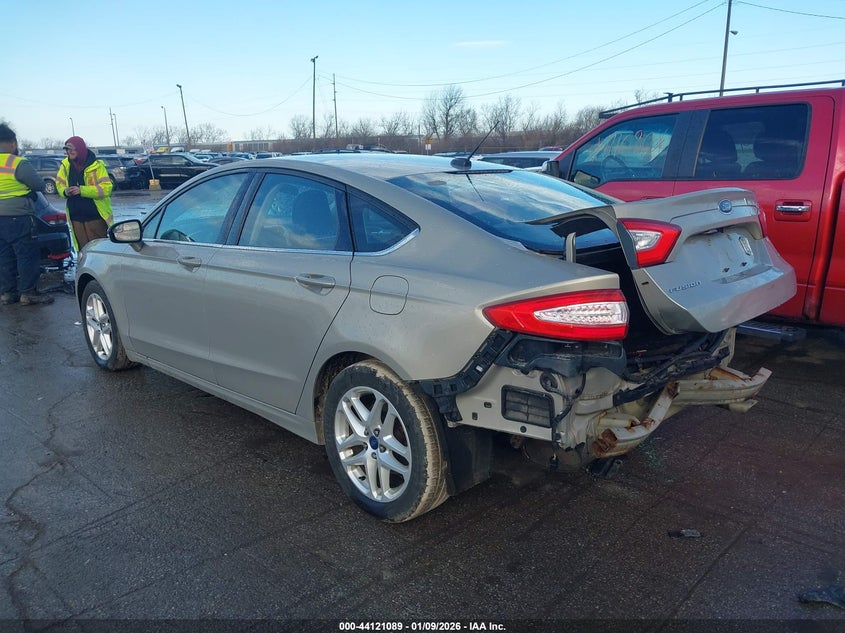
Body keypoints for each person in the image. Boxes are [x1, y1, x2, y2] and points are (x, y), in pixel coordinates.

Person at [0, 123, 54, 306]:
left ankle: (8, 293)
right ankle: (28, 293)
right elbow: (38, 184)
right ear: (13, 143)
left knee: (4, 256)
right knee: (26, 255)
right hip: (19, 216)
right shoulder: (17, 163)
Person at [56, 136, 113, 251]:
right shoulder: (65, 166)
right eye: (67, 149)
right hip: (76, 217)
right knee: (84, 252)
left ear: (81, 149)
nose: (69, 152)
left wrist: (82, 190)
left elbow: (107, 188)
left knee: (99, 251)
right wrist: (65, 191)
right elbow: (59, 184)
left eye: (72, 149)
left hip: (95, 216)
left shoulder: (97, 165)